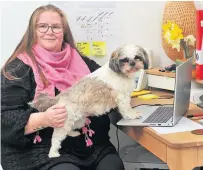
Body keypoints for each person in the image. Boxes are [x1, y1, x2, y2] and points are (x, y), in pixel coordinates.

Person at [1, 4, 125, 170]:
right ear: (33, 31)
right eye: (42, 26)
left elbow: (111, 87)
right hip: (38, 149)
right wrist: (44, 118)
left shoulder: (84, 63)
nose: (49, 31)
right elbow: (4, 121)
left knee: (113, 166)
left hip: (90, 146)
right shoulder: (18, 69)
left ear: (64, 32)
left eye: (56, 27)